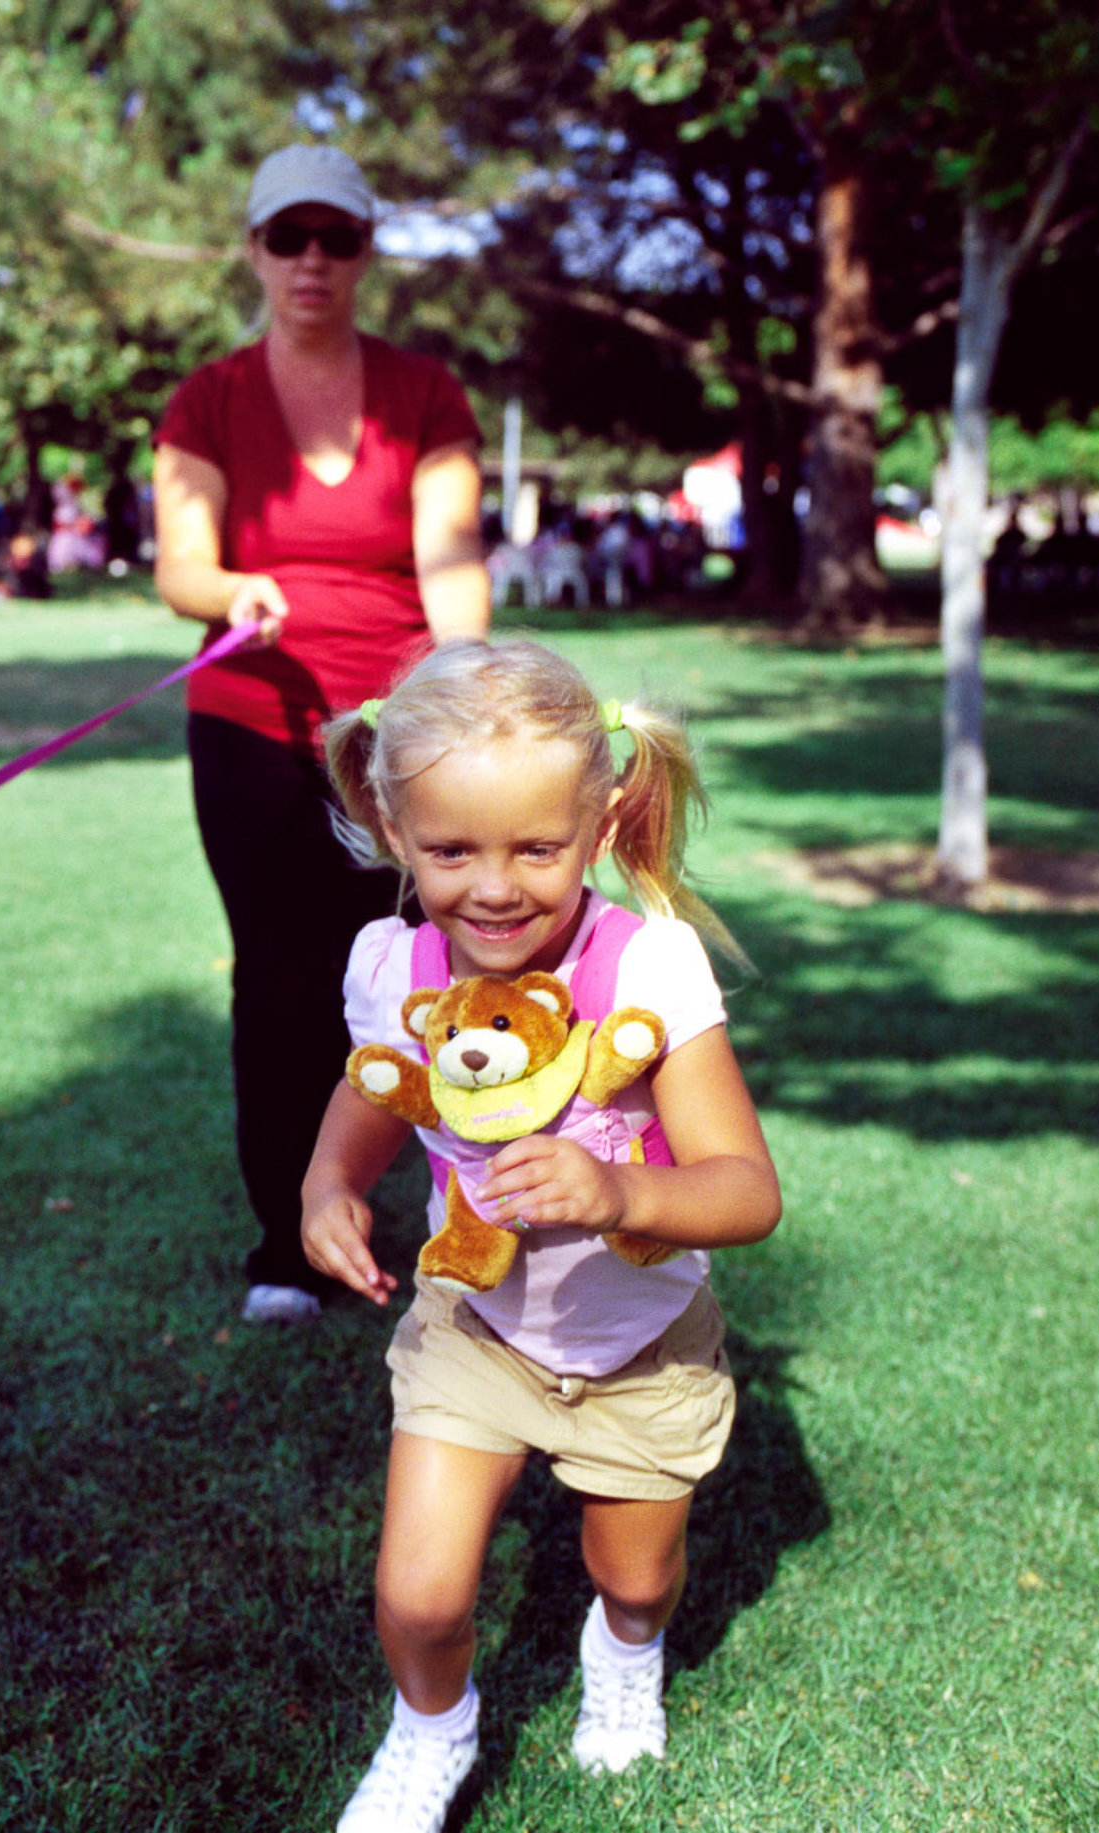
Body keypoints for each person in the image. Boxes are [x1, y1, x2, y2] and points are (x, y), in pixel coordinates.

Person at [299, 640, 781, 1832]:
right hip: (475, 1326)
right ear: (394, 830)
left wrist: (619, 1198)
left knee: (634, 1577)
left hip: (642, 1344)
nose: (495, 887)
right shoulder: (393, 966)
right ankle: (430, 1733)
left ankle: (621, 1658)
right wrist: (326, 1184)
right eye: (452, 850)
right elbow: (371, 1089)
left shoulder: (647, 971)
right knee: (415, 1596)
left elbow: (745, 1193)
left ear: (601, 825)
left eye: (535, 848)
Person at [153, 142, 490, 1327]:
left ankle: (459, 1205)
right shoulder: (211, 396)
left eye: (334, 238)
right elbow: (179, 562)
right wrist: (231, 588)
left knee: (420, 972)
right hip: (250, 716)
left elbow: (449, 562)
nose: (309, 260)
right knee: (282, 976)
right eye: (286, 236)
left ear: (364, 252)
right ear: (252, 248)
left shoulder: (425, 393)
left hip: (394, 733)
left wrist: (465, 691)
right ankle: (286, 1241)